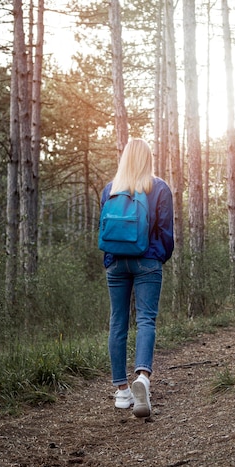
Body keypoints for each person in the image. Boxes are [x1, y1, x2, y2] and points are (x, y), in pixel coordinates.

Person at [99, 138, 174, 418]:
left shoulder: (111, 189)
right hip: (147, 261)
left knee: (117, 322)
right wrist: (158, 258)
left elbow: (102, 228)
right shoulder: (159, 187)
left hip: (116, 263)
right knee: (145, 320)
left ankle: (121, 390)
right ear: (148, 159)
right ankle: (142, 376)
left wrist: (110, 260)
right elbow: (166, 231)